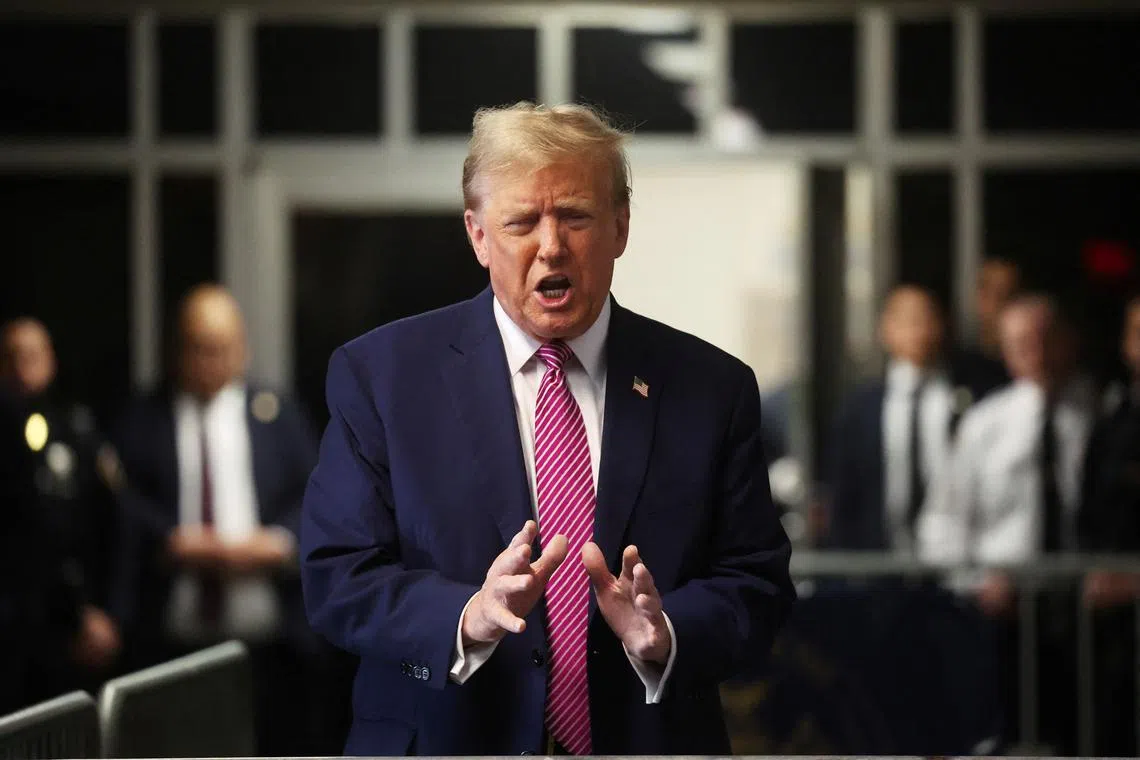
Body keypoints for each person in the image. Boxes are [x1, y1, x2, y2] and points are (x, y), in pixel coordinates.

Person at [300, 102, 795, 757]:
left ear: (620, 225)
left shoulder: (712, 389)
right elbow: (338, 576)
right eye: (522, 221)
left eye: (575, 215)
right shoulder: (382, 377)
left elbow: (755, 582)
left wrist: (669, 632)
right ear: (478, 235)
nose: (552, 245)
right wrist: (465, 617)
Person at [111, 285, 324, 755]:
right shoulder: (143, 419)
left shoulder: (276, 413)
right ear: (176, 349)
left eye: (224, 348)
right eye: (200, 348)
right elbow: (121, 502)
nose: (213, 360)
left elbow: (318, 491)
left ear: (243, 348)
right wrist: (171, 541)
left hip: (270, 648)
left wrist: (281, 541)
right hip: (168, 650)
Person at [919, 293, 1096, 755]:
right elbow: (942, 522)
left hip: (1088, 615)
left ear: (1067, 342)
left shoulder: (1099, 417)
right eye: (1019, 342)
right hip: (1003, 616)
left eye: (1042, 339)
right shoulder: (985, 423)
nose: (1032, 351)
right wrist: (978, 582)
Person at [0, 317, 122, 690]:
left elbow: (108, 524)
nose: (24, 368)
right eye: (13, 357)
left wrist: (101, 609)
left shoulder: (77, 430)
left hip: (69, 619)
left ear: (51, 359)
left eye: (34, 355)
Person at [824, 284, 972, 552]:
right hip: (879, 566)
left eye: (927, 318)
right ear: (885, 328)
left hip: (955, 561)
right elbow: (844, 497)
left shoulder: (968, 402)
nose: (919, 331)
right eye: (908, 320)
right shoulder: (860, 409)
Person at [950, 257, 1020, 401]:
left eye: (1005, 294)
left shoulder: (1032, 367)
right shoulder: (955, 368)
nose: (995, 303)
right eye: (988, 292)